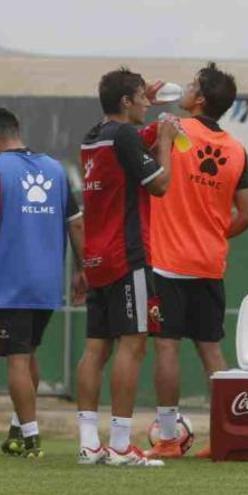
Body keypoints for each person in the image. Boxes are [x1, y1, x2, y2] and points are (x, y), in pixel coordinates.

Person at [145, 62, 248, 460]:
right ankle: (228, 437)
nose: (186, 88)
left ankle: (169, 437)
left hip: (168, 259)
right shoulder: (237, 149)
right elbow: (246, 215)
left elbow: (151, 169)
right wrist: (210, 234)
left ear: (201, 98)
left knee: (168, 347)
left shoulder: (172, 128)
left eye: (192, 84)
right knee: (211, 351)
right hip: (209, 262)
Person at [76, 67, 176, 467]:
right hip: (127, 255)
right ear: (125, 102)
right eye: (141, 96)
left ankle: (88, 443)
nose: (147, 100)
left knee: (95, 349)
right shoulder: (123, 136)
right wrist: (165, 140)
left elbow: (127, 145)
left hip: (97, 258)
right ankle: (119, 446)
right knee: (132, 345)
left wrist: (146, 120)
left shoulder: (94, 136)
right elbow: (160, 184)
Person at [0, 108, 85, 459]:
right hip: (47, 282)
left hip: (10, 281)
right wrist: (84, 271)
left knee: (17, 360)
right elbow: (77, 225)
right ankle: (19, 432)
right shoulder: (55, 168)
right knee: (26, 354)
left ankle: (32, 439)